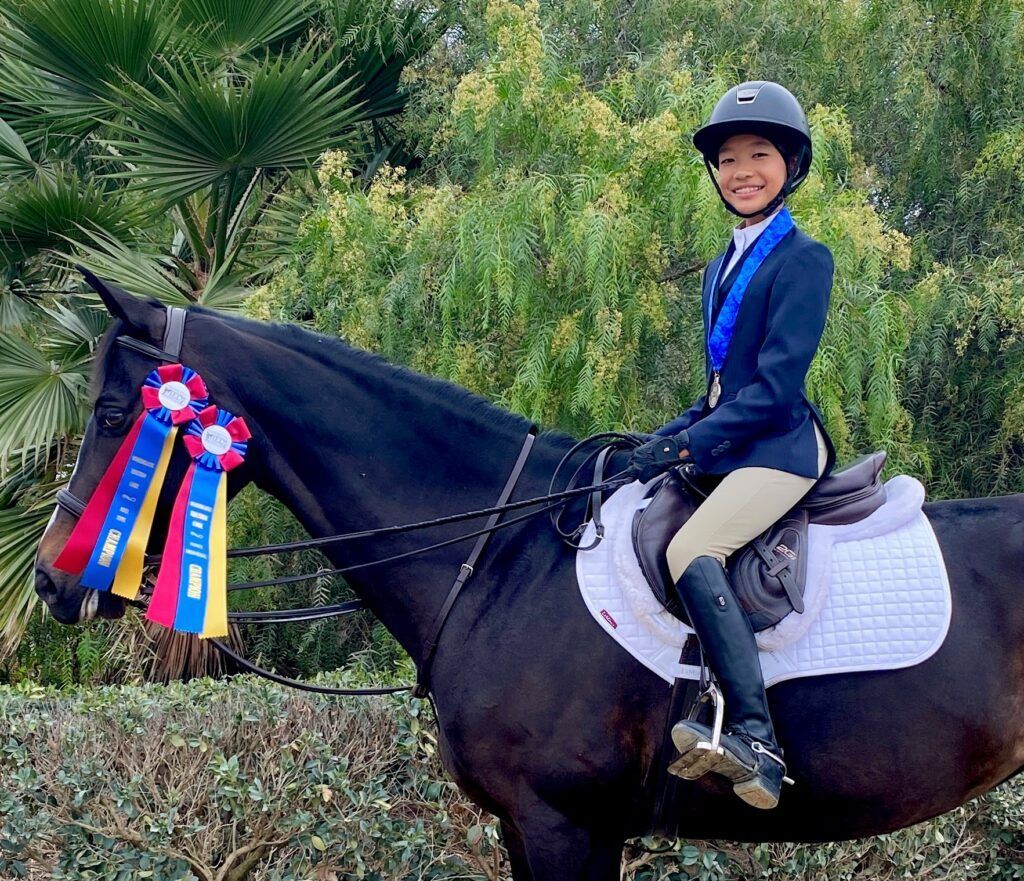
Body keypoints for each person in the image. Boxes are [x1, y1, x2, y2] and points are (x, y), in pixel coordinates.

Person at [628, 80, 838, 809]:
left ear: (791, 164)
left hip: (779, 446)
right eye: (727, 159)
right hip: (734, 436)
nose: (741, 170)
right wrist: (665, 437)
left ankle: (755, 735)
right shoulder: (723, 264)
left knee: (692, 550)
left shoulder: (804, 259)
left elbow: (774, 389)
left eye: (758, 154)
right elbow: (721, 385)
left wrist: (693, 446)